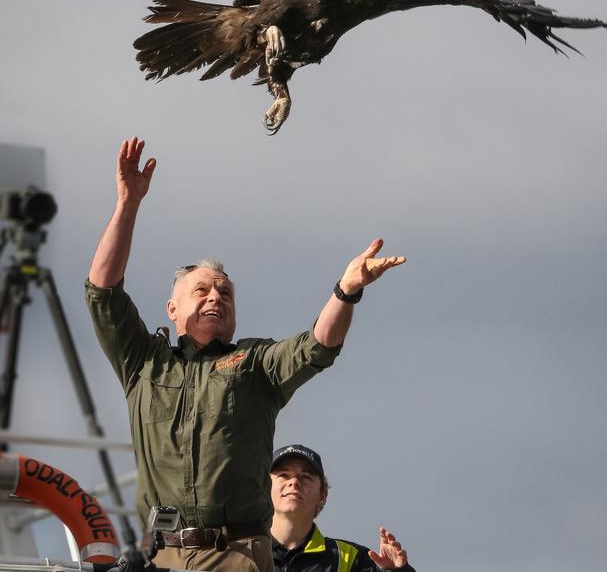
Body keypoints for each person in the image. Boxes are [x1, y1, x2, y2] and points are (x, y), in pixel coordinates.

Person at [86, 137, 406, 572]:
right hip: (159, 556)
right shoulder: (143, 363)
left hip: (235, 554)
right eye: (201, 290)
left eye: (225, 292)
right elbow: (103, 291)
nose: (215, 297)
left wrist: (346, 291)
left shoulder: (255, 364)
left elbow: (319, 345)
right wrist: (128, 203)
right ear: (172, 309)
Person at [270, 445, 415, 571]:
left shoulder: (353, 559)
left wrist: (396, 571)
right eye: (284, 475)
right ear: (264, 489)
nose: (294, 482)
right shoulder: (247, 550)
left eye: (306, 476)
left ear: (322, 495)